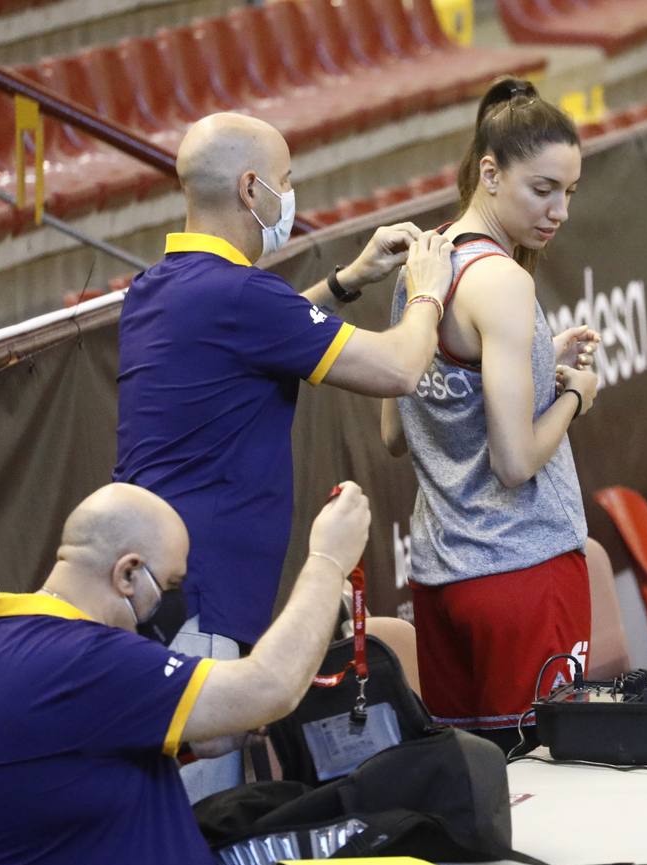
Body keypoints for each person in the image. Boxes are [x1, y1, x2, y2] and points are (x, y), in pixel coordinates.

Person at [114, 112, 452, 798]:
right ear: (251, 190)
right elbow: (399, 370)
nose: (289, 196)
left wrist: (347, 280)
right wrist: (426, 290)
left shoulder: (161, 286)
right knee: (210, 821)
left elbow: (262, 332)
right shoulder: (238, 295)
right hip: (201, 602)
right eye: (287, 180)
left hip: (163, 599)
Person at [0, 481, 374, 865]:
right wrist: (328, 560)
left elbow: (63, 772)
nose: (171, 602)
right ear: (128, 574)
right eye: (172, 584)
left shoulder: (0, 648)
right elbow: (270, 685)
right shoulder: (78, 657)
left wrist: (191, 746)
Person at [380, 77, 599, 751]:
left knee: (479, 793)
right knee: (549, 792)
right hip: (522, 575)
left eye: (569, 192)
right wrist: (573, 396)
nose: (558, 210)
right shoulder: (504, 281)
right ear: (490, 172)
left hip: (442, 582)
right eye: (542, 189)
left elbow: (397, 432)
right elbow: (512, 462)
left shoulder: (423, 264)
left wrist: (537, 360)